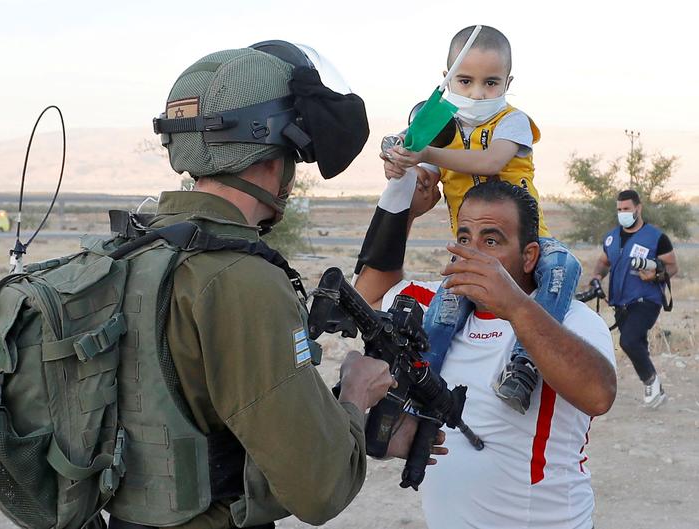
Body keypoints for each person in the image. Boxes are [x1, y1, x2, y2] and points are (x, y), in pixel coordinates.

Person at [103, 44, 446, 529]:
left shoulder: (131, 250)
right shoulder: (242, 280)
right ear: (273, 156)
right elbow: (321, 489)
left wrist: (338, 421)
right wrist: (356, 393)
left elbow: (197, 417)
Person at [355, 179, 617, 529]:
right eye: (464, 239)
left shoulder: (571, 320)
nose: (472, 253)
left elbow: (599, 395)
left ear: (529, 257)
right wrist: (405, 205)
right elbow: (368, 295)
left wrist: (514, 305)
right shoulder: (434, 306)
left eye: (491, 241)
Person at [367, 25, 582, 415]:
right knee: (444, 313)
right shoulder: (438, 129)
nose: (478, 93)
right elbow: (422, 178)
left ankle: (524, 365)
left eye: (491, 83)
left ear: (508, 83)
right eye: (465, 81)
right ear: (447, 79)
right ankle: (420, 385)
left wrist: (426, 153)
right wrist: (401, 163)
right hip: (470, 251)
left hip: (529, 242)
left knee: (563, 265)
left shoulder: (512, 121)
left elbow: (489, 161)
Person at [589, 189, 678, 408]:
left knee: (628, 340)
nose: (623, 213)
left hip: (647, 299)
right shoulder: (611, 237)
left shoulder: (656, 238)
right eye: (619, 209)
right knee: (636, 342)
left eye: (627, 209)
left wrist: (656, 275)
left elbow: (672, 266)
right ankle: (656, 390)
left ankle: (651, 383)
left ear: (638, 208)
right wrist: (597, 276)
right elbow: (604, 262)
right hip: (621, 303)